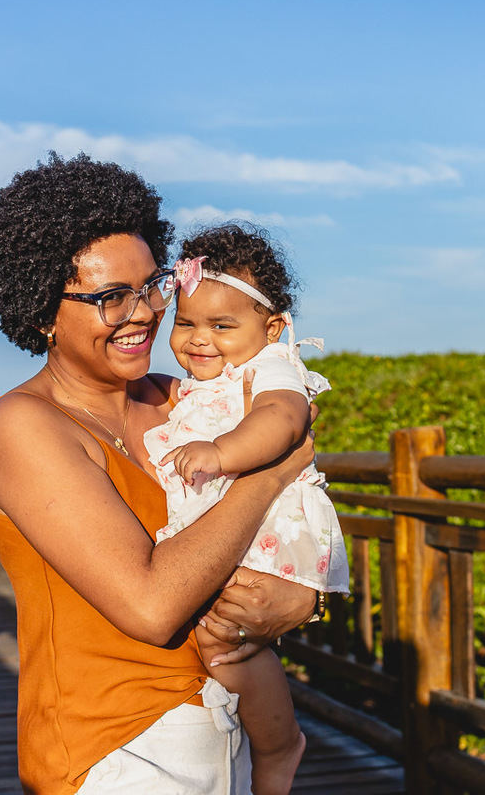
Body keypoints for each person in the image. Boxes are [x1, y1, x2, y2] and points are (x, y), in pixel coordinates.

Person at [0, 152, 319, 795]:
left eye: (151, 285)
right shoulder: (23, 427)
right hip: (112, 751)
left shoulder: (177, 399)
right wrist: (267, 476)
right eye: (109, 297)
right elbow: (152, 606)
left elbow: (284, 519)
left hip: (225, 729)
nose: (143, 312)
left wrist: (301, 602)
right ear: (42, 312)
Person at [143, 224, 350, 795]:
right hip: (234, 531)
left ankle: (280, 746)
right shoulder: (191, 388)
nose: (198, 339)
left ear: (273, 327)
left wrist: (220, 451)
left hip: (271, 528)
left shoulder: (273, 368)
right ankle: (259, 735)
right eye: (185, 323)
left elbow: (282, 421)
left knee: (226, 638)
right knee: (224, 637)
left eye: (222, 325)